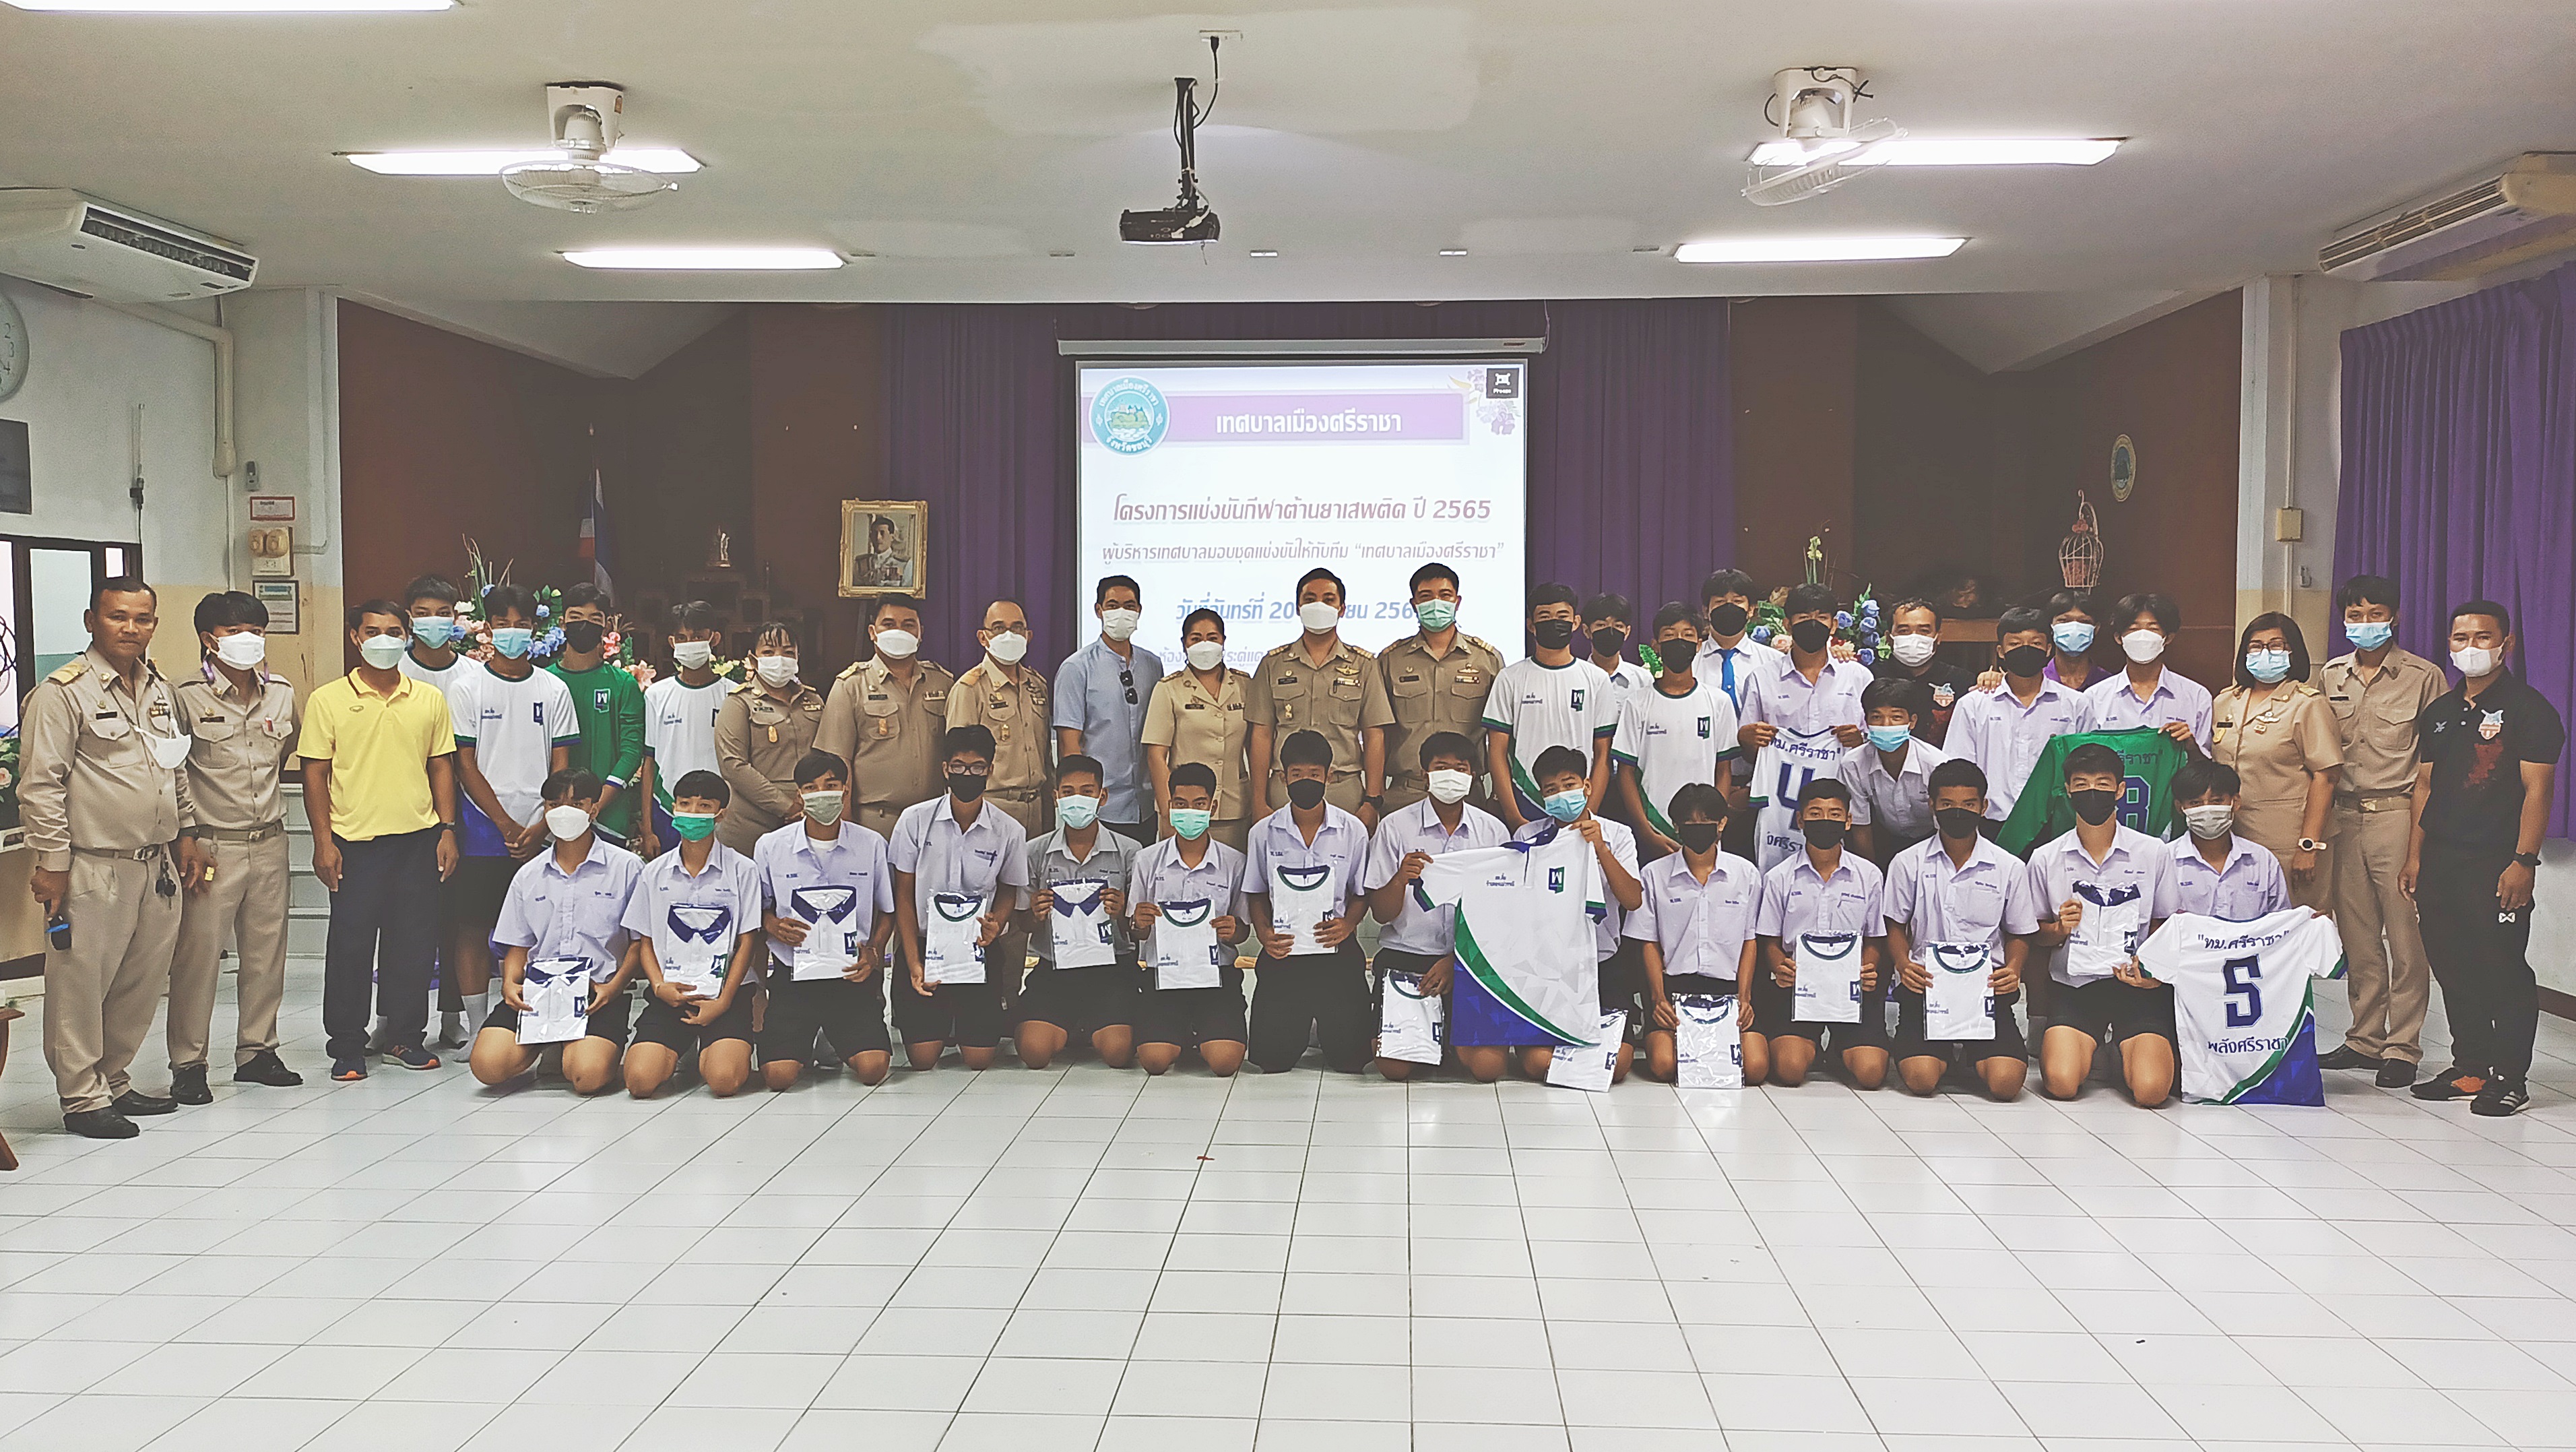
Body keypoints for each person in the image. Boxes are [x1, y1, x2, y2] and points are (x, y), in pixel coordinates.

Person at [20, 576, 207, 1137]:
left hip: (156, 863)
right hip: (91, 863)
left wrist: (187, 831)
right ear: (91, 621)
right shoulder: (62, 693)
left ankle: (114, 1079)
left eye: (142, 618)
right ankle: (82, 1096)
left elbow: (173, 765)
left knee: (140, 980)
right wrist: (52, 863)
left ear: (154, 624)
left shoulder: (158, 688)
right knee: (80, 983)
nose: (131, 628)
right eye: (117, 616)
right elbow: (41, 786)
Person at [2404, 600, 2563, 1117]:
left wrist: (2524, 861)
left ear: (2506, 643)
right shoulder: (2441, 712)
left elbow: (2538, 791)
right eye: (2460, 638)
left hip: (2497, 862)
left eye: (2482, 637)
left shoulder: (2529, 710)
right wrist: (2414, 856)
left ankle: (2510, 1077)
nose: (2470, 647)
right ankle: (2470, 1065)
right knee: (2451, 965)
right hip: (2441, 861)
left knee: (2502, 968)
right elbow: (2424, 786)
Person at [298, 601, 459, 1083]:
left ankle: (405, 1037)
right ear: (355, 637)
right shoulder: (327, 699)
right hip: (354, 843)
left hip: (417, 840)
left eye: (393, 631)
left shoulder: (428, 698)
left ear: (407, 636)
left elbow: (441, 765)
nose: (383, 640)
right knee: (350, 948)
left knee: (413, 945)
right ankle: (347, 1044)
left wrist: (447, 829)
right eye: (373, 632)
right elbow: (315, 773)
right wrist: (323, 842)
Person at [168, 590, 302, 1100]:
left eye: (257, 631)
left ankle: (257, 1050)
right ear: (210, 639)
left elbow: (284, 751)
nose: (249, 640)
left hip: (269, 840)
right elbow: (173, 769)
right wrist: (187, 834)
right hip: (211, 847)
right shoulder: (184, 696)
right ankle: (188, 1062)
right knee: (199, 958)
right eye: (235, 631)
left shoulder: (281, 692)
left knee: (266, 953)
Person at [2315, 574, 2445, 1086]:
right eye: (2355, 615)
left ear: (2395, 617)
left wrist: (2420, 844)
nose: (2365, 623)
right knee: (2358, 933)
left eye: (2375, 614)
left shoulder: (2423, 676)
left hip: (2398, 813)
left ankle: (2403, 1046)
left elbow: (2436, 763)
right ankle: (2365, 1038)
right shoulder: (2331, 674)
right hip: (2343, 816)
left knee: (2406, 934)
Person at [1460, 745, 1644, 1083]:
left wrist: (1601, 849)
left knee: (1619, 1065)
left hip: (1603, 964)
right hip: (1546, 967)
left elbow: (1632, 900)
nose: (1561, 794)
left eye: (1569, 785)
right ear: (1542, 796)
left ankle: (1582, 1063)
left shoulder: (1617, 834)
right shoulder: (1528, 836)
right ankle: (1579, 1065)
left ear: (1587, 786)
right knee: (1535, 1062)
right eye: (1551, 789)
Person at [446, 585, 578, 1046]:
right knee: (473, 926)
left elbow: (562, 765)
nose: (513, 633)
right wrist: (504, 824)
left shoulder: (554, 688)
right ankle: (479, 1027)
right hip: (482, 827)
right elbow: (464, 765)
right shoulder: (467, 688)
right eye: (503, 624)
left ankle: (540, 1020)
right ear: (487, 628)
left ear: (536, 629)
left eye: (522, 625)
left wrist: (544, 823)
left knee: (538, 927)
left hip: (543, 829)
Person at [466, 769, 642, 1095]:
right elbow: (518, 944)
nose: (564, 812)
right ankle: (546, 1045)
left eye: (576, 804)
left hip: (597, 993)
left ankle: (578, 1050)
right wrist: (510, 983)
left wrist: (614, 988)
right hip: (538, 992)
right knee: (487, 1067)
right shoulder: (528, 874)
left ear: (594, 809)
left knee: (587, 1076)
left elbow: (639, 944)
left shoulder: (627, 868)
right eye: (554, 804)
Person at [2028, 742, 2182, 1106]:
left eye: (2102, 784)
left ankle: (2121, 1050)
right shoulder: (2046, 858)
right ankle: (2094, 1046)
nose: (2091, 792)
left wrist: (2152, 973)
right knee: (2062, 1084)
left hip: (2137, 988)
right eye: (2081, 784)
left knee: (2151, 1092)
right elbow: (2035, 935)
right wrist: (2060, 929)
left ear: (2120, 790)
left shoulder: (2153, 852)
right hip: (2076, 988)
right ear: (2067, 791)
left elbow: (2166, 923)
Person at [1884, 761, 2038, 1100]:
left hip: (1986, 992)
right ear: (1932, 806)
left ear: (1984, 807)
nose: (1958, 812)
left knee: (2006, 1084)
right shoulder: (1907, 862)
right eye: (1947, 804)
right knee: (1921, 1080)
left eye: (1968, 804)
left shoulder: (2009, 867)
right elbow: (1894, 924)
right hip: (1926, 989)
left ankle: (1971, 1056)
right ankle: (1939, 1054)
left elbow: (2019, 932)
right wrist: (1903, 963)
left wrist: (2014, 969)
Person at [1363, 731, 1510, 1080]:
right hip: (1407, 955)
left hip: (1472, 960)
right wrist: (1400, 879)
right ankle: (1432, 1040)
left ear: (1474, 775)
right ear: (1425, 774)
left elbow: (1503, 916)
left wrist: (1456, 961)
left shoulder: (1493, 832)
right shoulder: (1395, 827)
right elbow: (1381, 913)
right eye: (1441, 767)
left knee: (1488, 1068)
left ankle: (1445, 1041)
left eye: (1461, 768)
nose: (1451, 776)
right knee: (1393, 1067)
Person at [753, 751, 897, 1092]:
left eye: (831, 785)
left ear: (846, 790)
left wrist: (874, 951)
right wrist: (773, 925)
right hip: (793, 974)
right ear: (800, 795)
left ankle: (831, 1039)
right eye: (811, 788)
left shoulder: (871, 844)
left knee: (873, 1069)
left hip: (850, 976)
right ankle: (812, 1040)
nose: (822, 794)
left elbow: (888, 911)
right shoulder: (771, 846)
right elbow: (758, 911)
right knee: (778, 1078)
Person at [890, 726, 1029, 1072]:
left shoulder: (1009, 830)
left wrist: (997, 922)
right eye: (959, 766)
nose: (968, 774)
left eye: (977, 767)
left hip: (977, 948)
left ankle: (962, 1026)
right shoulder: (914, 821)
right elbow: (903, 896)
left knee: (979, 1060)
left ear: (990, 770)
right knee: (923, 1060)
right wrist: (914, 964)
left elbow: (1009, 890)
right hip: (925, 947)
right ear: (945, 769)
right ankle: (940, 1024)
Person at [621, 769, 763, 1098]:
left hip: (726, 995)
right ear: (674, 808)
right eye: (685, 804)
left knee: (724, 1081)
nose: (693, 813)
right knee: (640, 1082)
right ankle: (680, 1049)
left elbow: (747, 941)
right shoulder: (654, 873)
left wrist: (724, 1000)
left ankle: (712, 1049)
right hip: (670, 991)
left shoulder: (744, 870)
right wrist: (659, 987)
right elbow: (645, 941)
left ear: (720, 814)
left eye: (704, 806)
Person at [1242, 729, 1374, 1073]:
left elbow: (1362, 893)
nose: (1306, 782)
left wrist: (1348, 925)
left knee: (1352, 1060)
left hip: (1336, 950)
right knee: (1272, 1060)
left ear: (1329, 776)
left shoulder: (1353, 830)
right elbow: (1256, 892)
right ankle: (1301, 1027)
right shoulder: (1263, 832)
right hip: (1283, 951)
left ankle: (1329, 1029)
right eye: (1297, 774)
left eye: (1314, 774)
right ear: (1283, 778)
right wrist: (1264, 935)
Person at [1752, 779, 1888, 1090]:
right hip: (1797, 989)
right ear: (1800, 821)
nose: (1825, 821)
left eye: (1834, 814)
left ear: (1848, 821)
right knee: (1789, 1071)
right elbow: (1769, 941)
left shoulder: (1869, 875)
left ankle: (1840, 1049)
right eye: (1815, 814)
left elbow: (1875, 938)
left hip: (1850, 991)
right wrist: (1779, 967)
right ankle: (1809, 1047)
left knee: (1870, 1074)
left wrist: (1867, 969)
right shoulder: (1778, 877)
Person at [1627, 783, 1764, 1085]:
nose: (1698, 829)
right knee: (1664, 1065)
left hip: (1728, 988)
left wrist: (1745, 997)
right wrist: (1658, 998)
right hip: (1675, 988)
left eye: (1707, 822)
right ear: (1676, 827)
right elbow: (1648, 942)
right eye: (1689, 823)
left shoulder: (1746, 874)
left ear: (1722, 824)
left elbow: (1749, 941)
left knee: (1755, 1068)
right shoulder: (1653, 874)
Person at [1127, 763, 1252, 1077]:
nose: (1189, 812)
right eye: (1181, 804)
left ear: (1213, 807)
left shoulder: (1235, 862)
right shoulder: (1147, 860)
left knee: (1225, 1063)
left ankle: (1201, 1032)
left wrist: (1233, 930)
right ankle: (1182, 1033)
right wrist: (1139, 923)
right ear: (1169, 806)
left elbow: (1243, 931)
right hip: (1164, 975)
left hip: (1216, 977)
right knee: (1154, 1061)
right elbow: (1136, 931)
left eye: (1199, 804)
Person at [1018, 755, 1142, 1070]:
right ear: (1056, 797)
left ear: (1103, 796)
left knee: (1118, 1053)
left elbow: (1139, 929)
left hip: (1111, 970)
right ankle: (1074, 1027)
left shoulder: (1130, 851)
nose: (1077, 800)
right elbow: (1023, 923)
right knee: (1034, 1053)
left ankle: (1090, 1026)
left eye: (1087, 792)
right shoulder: (1035, 851)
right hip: (1055, 970)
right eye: (1068, 792)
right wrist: (1036, 913)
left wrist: (1122, 913)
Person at [2209, 613, 2342, 905]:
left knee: (2296, 922)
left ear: (2293, 651)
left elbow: (2327, 777)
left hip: (2288, 838)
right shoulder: (2225, 702)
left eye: (2276, 645)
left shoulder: (2307, 704)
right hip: (2231, 834)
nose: (2265, 653)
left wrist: (2308, 845)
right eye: (2256, 646)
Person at [1245, 568, 1394, 825]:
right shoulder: (1273, 664)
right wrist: (1258, 801)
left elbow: (1374, 735)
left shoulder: (1364, 665)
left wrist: (1372, 800)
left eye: (1328, 600)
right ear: (1298, 607)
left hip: (1343, 788)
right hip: (1285, 787)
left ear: (1342, 609)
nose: (1319, 606)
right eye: (1310, 599)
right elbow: (1261, 734)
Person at [1737, 583, 1871, 867]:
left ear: (1834, 625)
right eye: (1803, 617)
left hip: (1843, 802)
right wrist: (1747, 739)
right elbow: (1751, 753)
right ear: (1787, 624)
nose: (1813, 624)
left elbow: (1873, 744)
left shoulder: (1858, 677)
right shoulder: (1762, 678)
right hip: (1779, 804)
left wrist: (1860, 741)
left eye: (1822, 617)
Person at [818, 593, 955, 840]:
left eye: (908, 625)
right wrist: (846, 828)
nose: (899, 632)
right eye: (889, 624)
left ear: (920, 633)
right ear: (873, 632)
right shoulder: (851, 686)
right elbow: (838, 763)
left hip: (934, 819)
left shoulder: (942, 683)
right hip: (875, 821)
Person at [1483, 583, 1615, 828]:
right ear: (1531, 625)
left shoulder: (1596, 679)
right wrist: (1514, 816)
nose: (1554, 622)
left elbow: (1603, 755)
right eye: (1545, 617)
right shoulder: (1510, 678)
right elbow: (1497, 752)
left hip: (1579, 802)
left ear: (1576, 622)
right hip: (1525, 802)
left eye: (1562, 616)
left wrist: (1589, 812)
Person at [1377, 562, 1504, 813]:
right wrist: (1375, 795)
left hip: (1467, 792)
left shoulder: (1487, 660)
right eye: (1426, 596)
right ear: (1414, 604)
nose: (1436, 603)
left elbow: (1500, 735)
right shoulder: (1391, 660)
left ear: (1457, 601)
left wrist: (1497, 795)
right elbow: (1381, 732)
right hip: (1407, 792)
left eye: (1445, 595)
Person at [1948, 607, 2093, 826]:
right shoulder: (1973, 704)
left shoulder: (2076, 704)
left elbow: (2087, 765)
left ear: (2048, 649)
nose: (2025, 650)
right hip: (1991, 822)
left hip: (2054, 822)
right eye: (2015, 644)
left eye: (2035, 643)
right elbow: (1958, 767)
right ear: (2001, 651)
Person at [1612, 604, 1737, 858]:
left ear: (1699, 644)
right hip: (1653, 827)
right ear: (1656, 645)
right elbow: (1626, 773)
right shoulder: (1637, 703)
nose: (1679, 641)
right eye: (1669, 635)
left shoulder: (1719, 702)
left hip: (1704, 829)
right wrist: (1644, 830)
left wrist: (1715, 823)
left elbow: (1724, 770)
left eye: (1687, 635)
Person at [1054, 575, 1164, 842]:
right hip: (1101, 807)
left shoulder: (1153, 665)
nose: (1121, 612)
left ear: (1139, 611)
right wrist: (1082, 804)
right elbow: (1069, 745)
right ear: (1098, 610)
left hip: (1146, 806)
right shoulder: (1076, 668)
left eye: (1129, 606)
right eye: (1113, 605)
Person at [1142, 608, 1254, 850]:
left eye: (1212, 638)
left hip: (1234, 807)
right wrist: (1169, 812)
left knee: (1234, 870)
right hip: (1184, 811)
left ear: (1223, 641)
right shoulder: (1168, 689)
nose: (1205, 645)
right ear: (1184, 644)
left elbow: (1256, 747)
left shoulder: (1244, 685)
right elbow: (1156, 756)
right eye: (1196, 638)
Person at [548, 582, 645, 849]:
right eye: (576, 617)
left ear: (605, 626)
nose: (585, 625)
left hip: (608, 814)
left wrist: (597, 804)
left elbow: (631, 751)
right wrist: (562, 804)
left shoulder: (623, 684)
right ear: (562, 622)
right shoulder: (545, 682)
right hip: (555, 812)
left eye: (594, 619)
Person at [713, 621, 824, 853]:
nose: (779, 659)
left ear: (798, 658)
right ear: (753, 660)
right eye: (769, 652)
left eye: (788, 652)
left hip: (809, 817)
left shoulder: (813, 701)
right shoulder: (739, 702)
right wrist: (787, 806)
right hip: (752, 824)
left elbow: (826, 755)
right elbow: (733, 766)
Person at [637, 600, 727, 858]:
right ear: (672, 642)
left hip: (719, 811)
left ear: (714, 639)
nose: (690, 643)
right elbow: (649, 762)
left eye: (698, 637)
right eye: (682, 638)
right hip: (667, 809)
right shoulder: (656, 695)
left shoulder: (733, 696)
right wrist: (648, 830)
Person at [2084, 591, 2212, 752]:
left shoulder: (2197, 696)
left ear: (2168, 638)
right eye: (2134, 629)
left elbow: (2205, 761)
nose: (2142, 636)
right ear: (2119, 638)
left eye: (2153, 629)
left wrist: (2191, 747)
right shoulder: (2095, 697)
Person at [2166, 759, 2291, 919]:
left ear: (2235, 802)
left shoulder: (2261, 860)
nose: (2207, 809)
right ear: (2180, 807)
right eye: (2195, 803)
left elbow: (2282, 921)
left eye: (2217, 801)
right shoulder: (2166, 861)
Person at [1844, 677, 1947, 864]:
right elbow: (1861, 826)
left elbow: (1946, 828)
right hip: (1883, 839)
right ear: (1866, 721)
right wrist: (1871, 874)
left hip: (1933, 839)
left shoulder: (1936, 765)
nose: (1886, 725)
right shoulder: (1854, 763)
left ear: (1912, 722)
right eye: (1877, 717)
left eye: (1896, 717)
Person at [1874, 597, 1974, 743]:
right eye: (1904, 631)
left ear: (1938, 638)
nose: (1914, 638)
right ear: (1889, 638)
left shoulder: (1962, 681)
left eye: (1924, 631)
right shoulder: (1871, 677)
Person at [1692, 569, 1780, 715]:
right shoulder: (1691, 661)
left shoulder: (1774, 662)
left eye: (1737, 601)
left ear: (1751, 610)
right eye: (1720, 602)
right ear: (1706, 611)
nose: (1729, 607)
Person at [398, 573, 479, 697]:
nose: (434, 620)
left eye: (443, 613)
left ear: (455, 616)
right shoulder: (396, 670)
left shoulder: (476, 673)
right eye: (422, 614)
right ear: (410, 618)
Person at [1584, 592, 1652, 703]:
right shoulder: (1576, 677)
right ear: (1587, 631)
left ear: (1627, 632)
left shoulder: (1643, 680)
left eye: (1618, 626)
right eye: (1601, 625)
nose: (1610, 631)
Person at [2045, 590, 2102, 691]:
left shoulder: (2108, 684)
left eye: (2084, 621)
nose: (2074, 628)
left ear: (2096, 629)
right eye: (2064, 621)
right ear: (2051, 626)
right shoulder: (2037, 682)